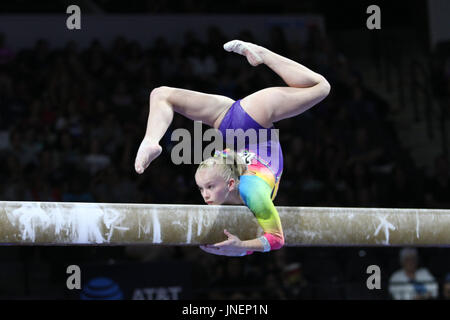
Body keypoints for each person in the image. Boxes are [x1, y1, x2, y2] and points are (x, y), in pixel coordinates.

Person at [134, 40, 330, 256]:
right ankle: (151, 141)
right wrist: (238, 248)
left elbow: (276, 239)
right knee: (161, 94)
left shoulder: (250, 191)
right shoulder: (247, 191)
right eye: (202, 189)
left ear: (229, 183)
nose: (205, 196)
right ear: (229, 183)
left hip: (249, 123)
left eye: (208, 187)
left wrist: (241, 246)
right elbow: (266, 239)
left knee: (321, 87)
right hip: (233, 124)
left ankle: (262, 53)